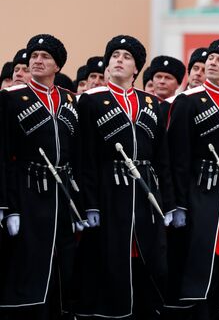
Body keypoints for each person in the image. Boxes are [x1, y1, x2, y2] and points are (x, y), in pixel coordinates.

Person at [72, 35, 175, 320]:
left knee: (148, 259)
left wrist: (168, 202)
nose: (119, 60)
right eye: (115, 55)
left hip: (145, 191)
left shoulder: (151, 103)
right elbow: (85, 157)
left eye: (126, 56)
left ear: (137, 69)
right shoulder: (90, 101)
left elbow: (162, 158)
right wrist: (89, 203)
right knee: (110, 257)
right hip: (108, 191)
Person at [0, 34, 80, 320]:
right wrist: (8, 207)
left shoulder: (71, 99)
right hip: (28, 191)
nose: (36, 61)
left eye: (44, 56)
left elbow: (78, 153)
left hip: (62, 193)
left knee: (63, 260)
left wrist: (82, 202)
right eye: (33, 56)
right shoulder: (10, 98)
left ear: (57, 65)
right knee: (30, 261)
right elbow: (3, 154)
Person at [166, 39, 219, 320]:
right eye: (210, 58)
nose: (211, 62)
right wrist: (179, 203)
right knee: (200, 258)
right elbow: (178, 156)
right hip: (200, 189)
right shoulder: (188, 101)